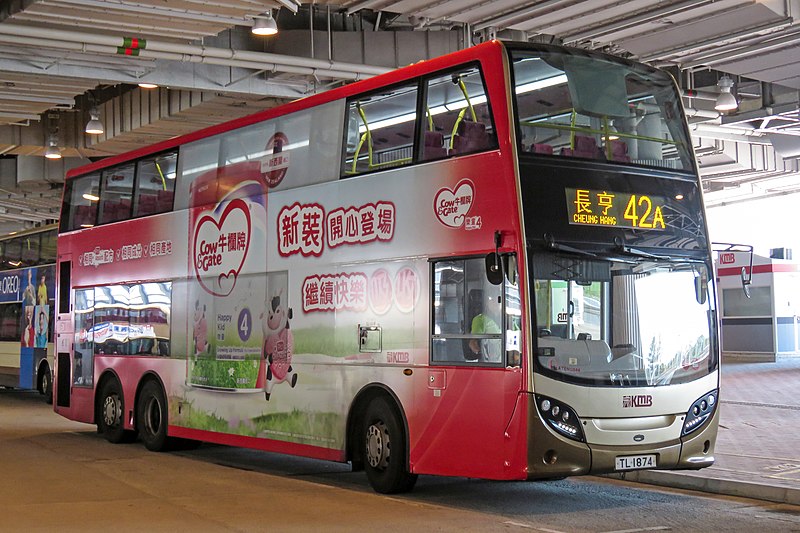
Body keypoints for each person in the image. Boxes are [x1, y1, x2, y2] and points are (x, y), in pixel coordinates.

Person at [466, 289, 502, 362]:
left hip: (508, 360)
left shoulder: (508, 319)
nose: (495, 302)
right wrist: (483, 353)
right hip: (492, 362)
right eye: (491, 299)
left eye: (497, 299)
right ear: (487, 302)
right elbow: (472, 343)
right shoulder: (480, 319)